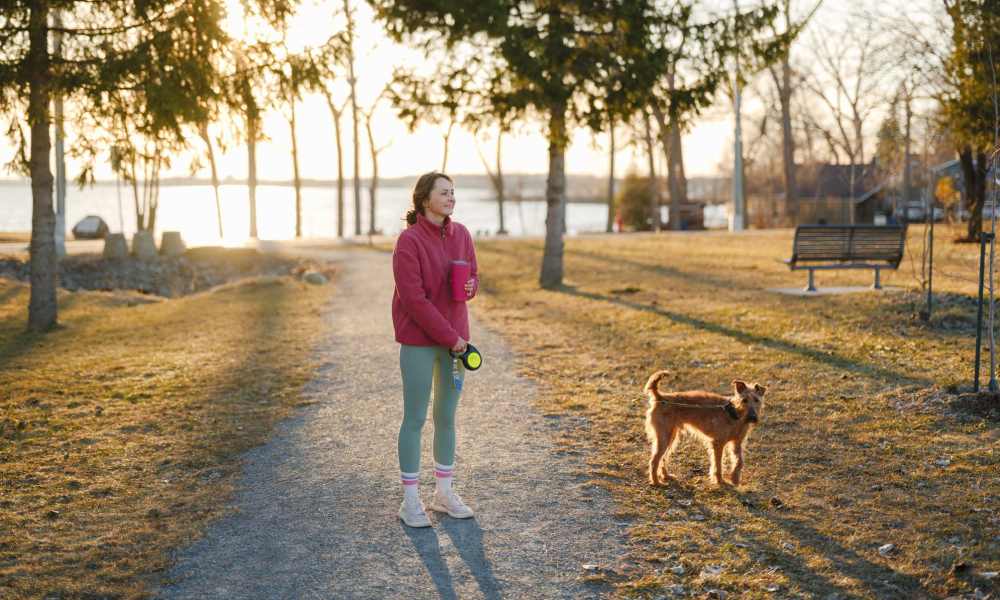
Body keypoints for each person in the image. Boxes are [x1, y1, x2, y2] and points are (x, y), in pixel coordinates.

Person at [391, 171, 479, 528]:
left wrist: (470, 286)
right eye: (444, 192)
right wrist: (452, 338)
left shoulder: (462, 235)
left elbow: (472, 281)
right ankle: (410, 501)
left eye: (453, 192)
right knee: (414, 418)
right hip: (420, 341)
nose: (451, 198)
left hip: (455, 343)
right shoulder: (408, 242)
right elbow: (414, 301)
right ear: (424, 199)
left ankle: (443, 494)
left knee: (446, 417)